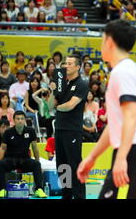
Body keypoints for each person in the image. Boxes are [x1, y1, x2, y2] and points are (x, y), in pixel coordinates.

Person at [77, 20, 136, 199]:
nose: (101, 44)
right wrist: (92, 157)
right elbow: (115, 126)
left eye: (102, 39)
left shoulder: (123, 72)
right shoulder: (125, 70)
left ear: (109, 42)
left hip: (134, 151)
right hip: (132, 150)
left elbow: (131, 116)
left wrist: (121, 158)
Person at [49, 53, 88, 199]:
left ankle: (79, 196)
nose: (66, 65)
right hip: (59, 129)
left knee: (75, 165)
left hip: (72, 130)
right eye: (65, 63)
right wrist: (53, 91)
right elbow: (49, 106)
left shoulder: (81, 84)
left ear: (78, 67)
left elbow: (70, 105)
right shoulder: (62, 83)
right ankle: (66, 195)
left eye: (70, 63)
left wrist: (57, 108)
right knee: (63, 166)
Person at [0, 111, 47, 198]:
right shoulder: (8, 132)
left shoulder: (30, 131)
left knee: (37, 164)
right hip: (11, 159)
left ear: (24, 120)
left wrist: (38, 162)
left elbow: (35, 148)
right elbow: (2, 148)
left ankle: (39, 189)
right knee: (0, 165)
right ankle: (2, 190)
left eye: (22, 119)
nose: (20, 121)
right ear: (14, 120)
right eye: (18, 119)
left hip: (25, 159)